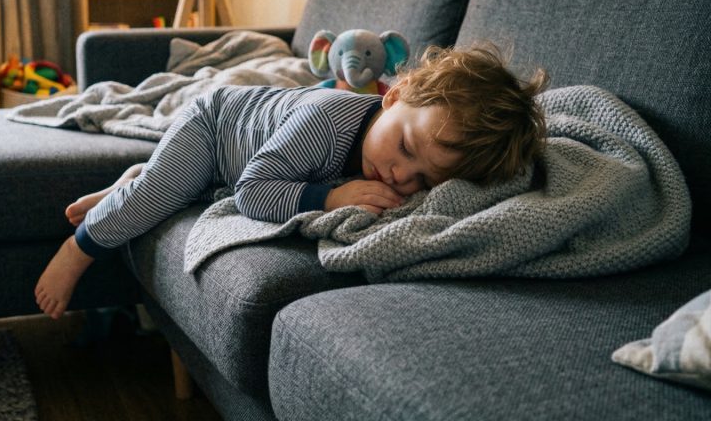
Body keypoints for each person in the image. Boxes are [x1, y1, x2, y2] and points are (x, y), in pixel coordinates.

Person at [35, 44, 549, 319]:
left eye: (423, 179)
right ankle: (80, 247)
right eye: (406, 150)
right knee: (160, 195)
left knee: (178, 187)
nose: (399, 175)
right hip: (214, 132)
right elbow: (253, 191)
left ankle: (141, 178)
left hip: (242, 160)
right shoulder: (326, 119)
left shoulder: (397, 158)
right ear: (394, 96)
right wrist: (329, 195)